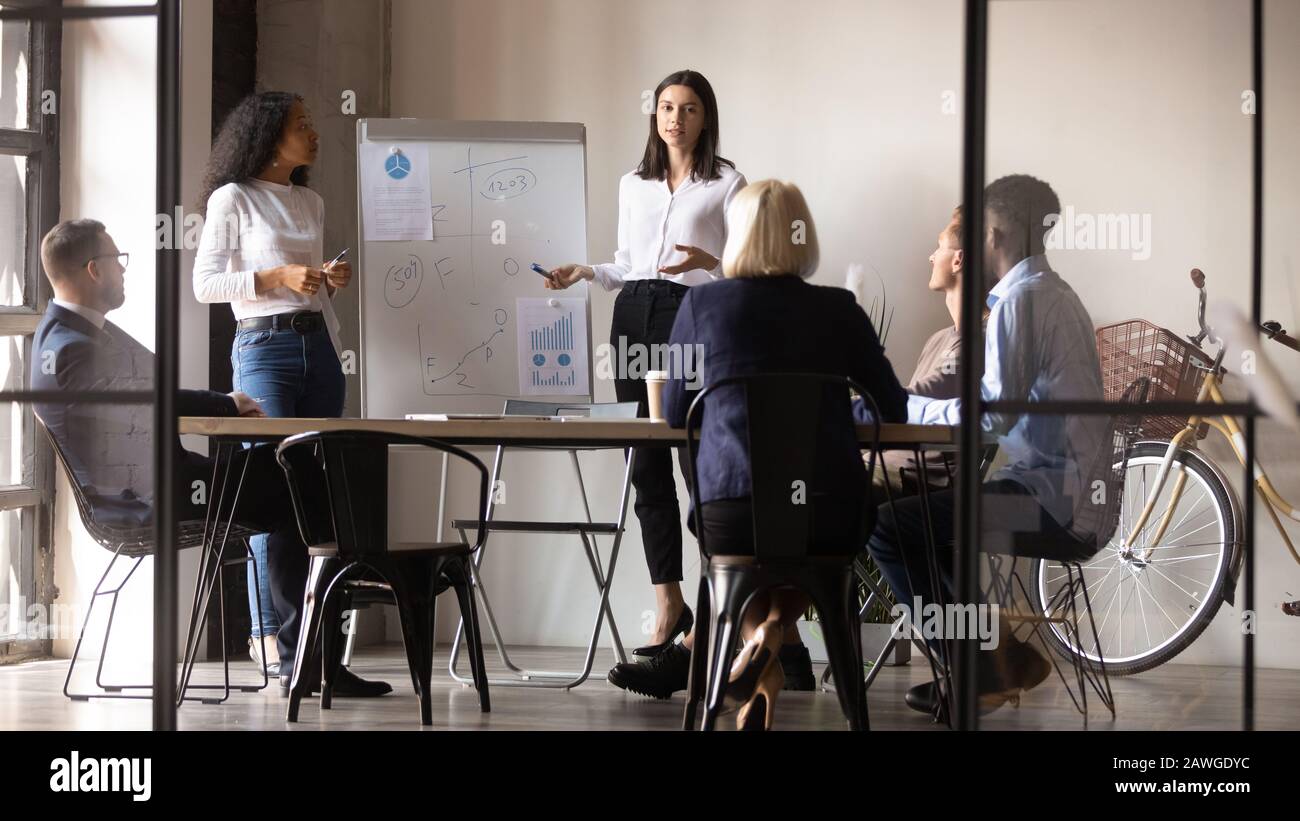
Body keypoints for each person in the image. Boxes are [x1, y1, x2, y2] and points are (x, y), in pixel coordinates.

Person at [35, 219, 386, 697]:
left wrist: (224, 401)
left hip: (157, 484)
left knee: (300, 476)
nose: (124, 272)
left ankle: (306, 657)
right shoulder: (72, 346)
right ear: (94, 269)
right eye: (119, 261)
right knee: (301, 481)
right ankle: (307, 655)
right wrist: (226, 403)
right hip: (150, 499)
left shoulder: (67, 334)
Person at [604, 181, 908, 728]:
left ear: (736, 237)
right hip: (829, 515)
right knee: (805, 555)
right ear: (803, 236)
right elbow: (893, 408)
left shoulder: (701, 305)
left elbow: (675, 414)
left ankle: (757, 651)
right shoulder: (838, 309)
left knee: (744, 557)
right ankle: (770, 640)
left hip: (731, 515)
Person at [865, 174, 1106, 715]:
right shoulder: (1052, 295)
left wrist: (900, 408)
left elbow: (991, 419)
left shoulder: (1021, 304)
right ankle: (988, 662)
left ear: (996, 232)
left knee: (889, 527)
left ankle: (976, 668)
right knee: (929, 522)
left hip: (1053, 507)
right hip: (1065, 496)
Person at [545, 70, 747, 658]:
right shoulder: (632, 183)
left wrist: (712, 259)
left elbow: (747, 266)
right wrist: (586, 271)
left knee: (694, 460)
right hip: (633, 312)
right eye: (665, 107)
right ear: (653, 115)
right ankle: (668, 605)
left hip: (691, 313)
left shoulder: (728, 184)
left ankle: (718, 610)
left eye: (687, 108)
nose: (674, 118)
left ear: (705, 117)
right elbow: (627, 264)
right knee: (644, 462)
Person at [194, 91, 353, 675]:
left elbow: (308, 288)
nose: (313, 133)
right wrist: (276, 274)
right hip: (263, 349)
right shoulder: (231, 198)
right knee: (272, 493)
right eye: (301, 125)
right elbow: (206, 285)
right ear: (268, 136)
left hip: (317, 346)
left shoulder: (309, 200)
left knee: (321, 497)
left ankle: (320, 655)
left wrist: (327, 281)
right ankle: (279, 648)